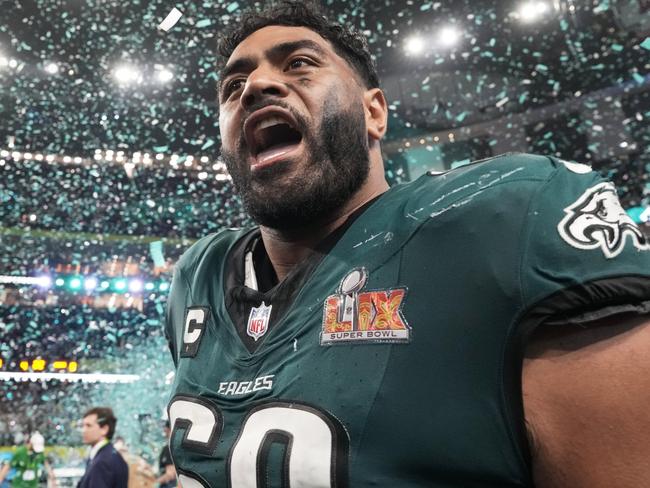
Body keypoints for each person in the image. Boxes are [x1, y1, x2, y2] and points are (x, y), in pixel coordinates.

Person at [164, 1, 650, 486]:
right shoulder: (198, 277)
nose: (256, 87)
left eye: (299, 63)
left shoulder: (504, 220)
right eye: (233, 87)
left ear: (373, 112)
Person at [77, 407, 128, 488]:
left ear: (104, 429)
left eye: (88, 426)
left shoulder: (102, 462)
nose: (83, 430)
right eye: (82, 426)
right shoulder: (110, 455)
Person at [154, 422, 176, 488]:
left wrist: (153, 483)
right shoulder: (177, 449)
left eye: (166, 431)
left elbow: (170, 474)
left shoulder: (169, 448)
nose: (165, 434)